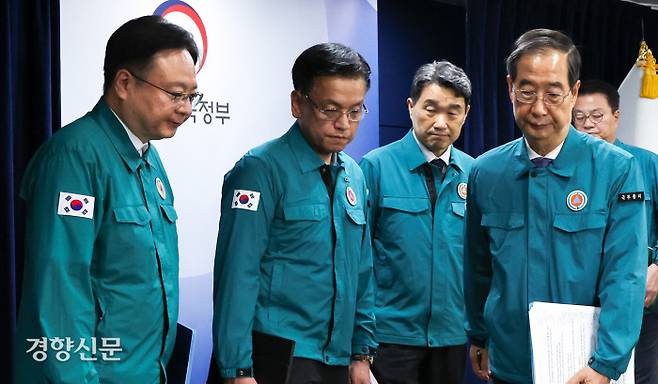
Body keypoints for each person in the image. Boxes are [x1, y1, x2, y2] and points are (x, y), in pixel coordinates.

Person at [14, 16, 200, 383]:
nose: (186, 108)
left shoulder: (148, 156)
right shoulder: (74, 158)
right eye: (175, 94)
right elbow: (59, 294)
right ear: (125, 83)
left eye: (192, 96)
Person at [463, 28, 647, 384]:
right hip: (509, 363)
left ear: (573, 92)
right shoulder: (486, 172)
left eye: (553, 93)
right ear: (509, 89)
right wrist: (479, 335)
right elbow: (478, 267)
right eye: (527, 92)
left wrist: (606, 364)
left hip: (584, 367)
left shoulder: (617, 169)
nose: (539, 108)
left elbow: (625, 276)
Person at [211, 43, 376, 384]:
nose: (343, 124)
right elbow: (238, 275)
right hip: (279, 356)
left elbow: (362, 271)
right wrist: (238, 369)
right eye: (329, 109)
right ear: (297, 103)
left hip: (338, 357)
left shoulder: (355, 175)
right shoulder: (259, 170)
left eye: (355, 111)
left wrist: (362, 353)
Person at [359, 61, 472, 384]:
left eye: (453, 112)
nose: (440, 122)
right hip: (389, 337)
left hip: (450, 337)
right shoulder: (376, 167)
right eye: (430, 109)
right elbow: (358, 260)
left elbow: (481, 263)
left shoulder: (475, 173)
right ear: (410, 107)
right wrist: (360, 344)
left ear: (466, 114)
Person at [573, 79, 658, 384]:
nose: (588, 125)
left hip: (637, 304)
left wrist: (657, 268)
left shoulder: (647, 164)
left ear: (616, 117)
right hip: (577, 306)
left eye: (597, 116)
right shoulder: (566, 169)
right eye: (580, 117)